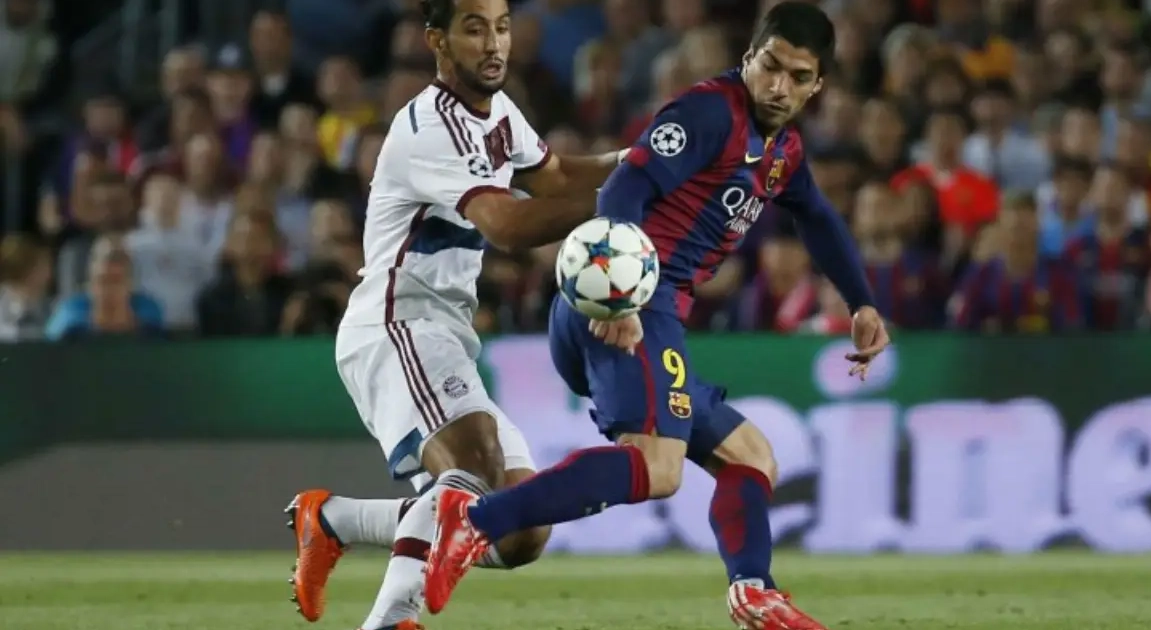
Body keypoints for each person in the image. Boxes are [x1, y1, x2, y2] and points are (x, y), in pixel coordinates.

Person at [423, 4, 890, 630]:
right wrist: (624, 297)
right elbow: (625, 189)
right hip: (631, 301)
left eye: (797, 76)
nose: (778, 86)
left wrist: (861, 301)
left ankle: (754, 590)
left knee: (751, 457)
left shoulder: (783, 151)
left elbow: (818, 218)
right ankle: (477, 521)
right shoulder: (709, 113)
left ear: (817, 85)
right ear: (749, 58)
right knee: (657, 467)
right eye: (770, 66)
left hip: (645, 308)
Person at [285, 1, 630, 629]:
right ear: (436, 41)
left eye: (501, 27)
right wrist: (620, 200)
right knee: (475, 469)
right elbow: (508, 224)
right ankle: (391, 619)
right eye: (474, 29)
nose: (494, 43)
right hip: (397, 322)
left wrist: (641, 165)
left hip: (443, 329)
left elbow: (553, 176)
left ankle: (333, 520)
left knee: (520, 526)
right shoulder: (430, 126)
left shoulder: (495, 111)